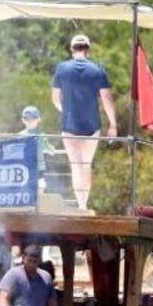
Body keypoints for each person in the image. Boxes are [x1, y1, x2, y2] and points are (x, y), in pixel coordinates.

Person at [51, 33, 117, 210]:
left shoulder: (62, 68)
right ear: (88, 50)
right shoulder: (98, 70)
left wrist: (68, 111)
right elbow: (107, 98)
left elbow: (56, 98)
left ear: (72, 50)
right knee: (85, 165)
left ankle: (80, 204)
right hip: (91, 127)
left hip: (69, 125)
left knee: (75, 165)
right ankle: (83, 205)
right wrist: (113, 124)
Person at [18, 105, 56, 190]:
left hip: (37, 169)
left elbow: (48, 148)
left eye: (32, 119)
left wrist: (51, 149)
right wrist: (52, 150)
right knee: (31, 188)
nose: (30, 121)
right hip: (25, 167)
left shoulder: (40, 135)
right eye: (27, 119)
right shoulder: (21, 136)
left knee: (39, 186)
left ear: (38, 119)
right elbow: (49, 149)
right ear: (23, 120)